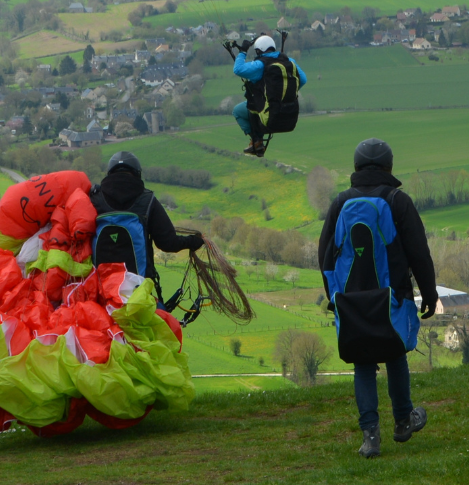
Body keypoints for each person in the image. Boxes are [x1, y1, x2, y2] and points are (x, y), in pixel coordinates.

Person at [318, 137, 438, 459]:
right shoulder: (398, 201)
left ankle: (370, 437)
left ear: (356, 167)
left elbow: (325, 255)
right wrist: (429, 293)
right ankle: (403, 420)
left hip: (351, 301)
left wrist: (335, 297)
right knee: (395, 355)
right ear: (389, 167)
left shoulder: (340, 203)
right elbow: (419, 253)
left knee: (364, 365)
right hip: (392, 298)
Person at [90, 151, 203, 301]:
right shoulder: (148, 201)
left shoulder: (94, 199)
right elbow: (168, 243)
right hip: (138, 293)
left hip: (99, 292)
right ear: (137, 173)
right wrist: (194, 241)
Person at [231, 33, 307, 156]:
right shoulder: (289, 61)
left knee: (238, 111)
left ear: (258, 50)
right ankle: (257, 140)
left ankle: (256, 140)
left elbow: (238, 69)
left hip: (268, 114)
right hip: (290, 114)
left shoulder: (260, 65)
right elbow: (302, 80)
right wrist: (286, 94)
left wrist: (243, 52)